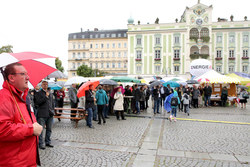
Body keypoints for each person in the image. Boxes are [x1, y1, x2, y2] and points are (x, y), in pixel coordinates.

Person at [0, 63, 43, 166]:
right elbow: (3, 129)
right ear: (11, 78)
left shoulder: (22, 97)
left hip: (27, 160)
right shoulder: (4, 97)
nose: (28, 77)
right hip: (14, 162)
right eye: (23, 74)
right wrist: (31, 129)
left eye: (27, 74)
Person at [35, 80, 55, 149]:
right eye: (44, 84)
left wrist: (53, 110)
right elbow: (37, 102)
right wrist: (45, 97)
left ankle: (48, 142)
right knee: (41, 129)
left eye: (46, 84)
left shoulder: (50, 93)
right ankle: (41, 143)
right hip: (42, 114)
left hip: (50, 114)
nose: (45, 86)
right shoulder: (39, 93)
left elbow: (52, 103)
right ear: (41, 85)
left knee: (49, 129)